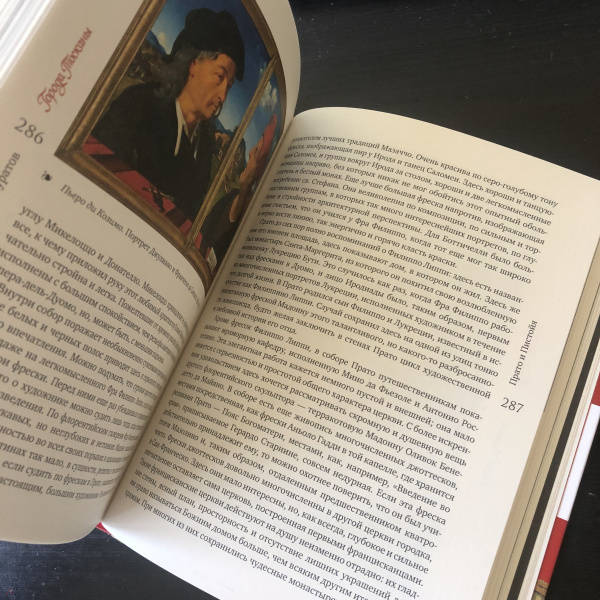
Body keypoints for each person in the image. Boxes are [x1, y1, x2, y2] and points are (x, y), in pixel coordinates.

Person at [93, 8, 245, 221]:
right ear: (193, 64)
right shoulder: (138, 105)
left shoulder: (204, 146)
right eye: (220, 77)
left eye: (228, 87)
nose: (222, 96)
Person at [200, 114, 277, 270]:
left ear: (260, 171)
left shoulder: (248, 222)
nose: (250, 153)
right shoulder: (231, 197)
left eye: (256, 152)